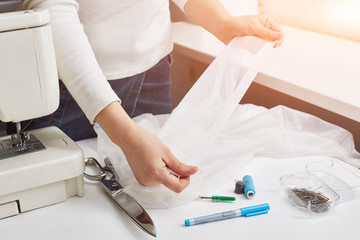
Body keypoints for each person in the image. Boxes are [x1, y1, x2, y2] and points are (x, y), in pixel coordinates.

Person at [17, 0, 283, 193]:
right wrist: (126, 136)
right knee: (66, 207)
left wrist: (222, 21)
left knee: (159, 191)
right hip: (73, 90)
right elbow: (52, 8)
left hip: (153, 74)